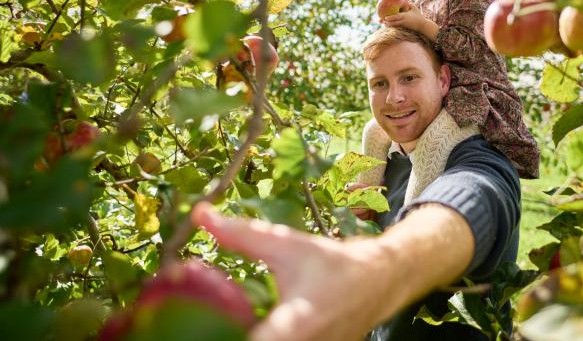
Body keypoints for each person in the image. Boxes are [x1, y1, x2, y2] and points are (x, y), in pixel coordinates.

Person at [193, 27, 521, 341]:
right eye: (379, 83)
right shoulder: (385, 165)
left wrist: (375, 265)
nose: (394, 97)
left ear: (443, 79)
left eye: (409, 77)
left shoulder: (479, 158)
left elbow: (472, 199)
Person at [359, 0, 539, 189]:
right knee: (373, 131)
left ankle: (413, 217)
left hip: (477, 97)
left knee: (433, 143)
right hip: (440, 97)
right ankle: (364, 200)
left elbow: (473, 52)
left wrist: (422, 25)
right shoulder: (421, 6)